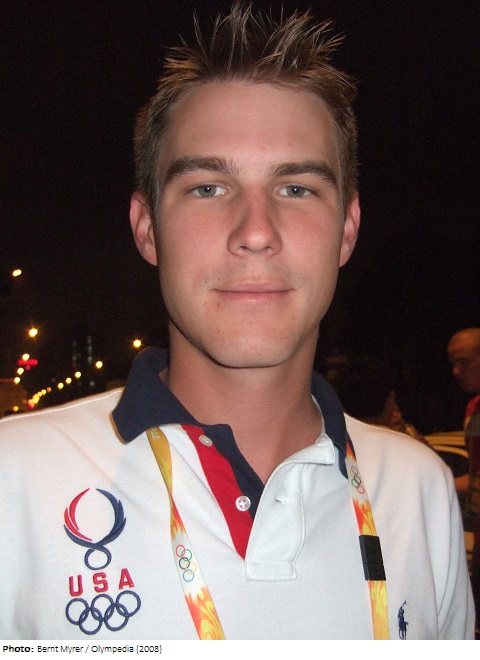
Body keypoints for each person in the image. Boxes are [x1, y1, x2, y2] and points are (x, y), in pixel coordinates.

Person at [0, 2, 473, 640]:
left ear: (347, 229)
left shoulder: (420, 489)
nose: (256, 231)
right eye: (208, 187)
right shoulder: (14, 481)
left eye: (296, 188)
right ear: (147, 228)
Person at [448, 327, 480, 630]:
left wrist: (439, 481)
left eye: (465, 362)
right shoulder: (474, 408)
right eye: (453, 363)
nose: (456, 372)